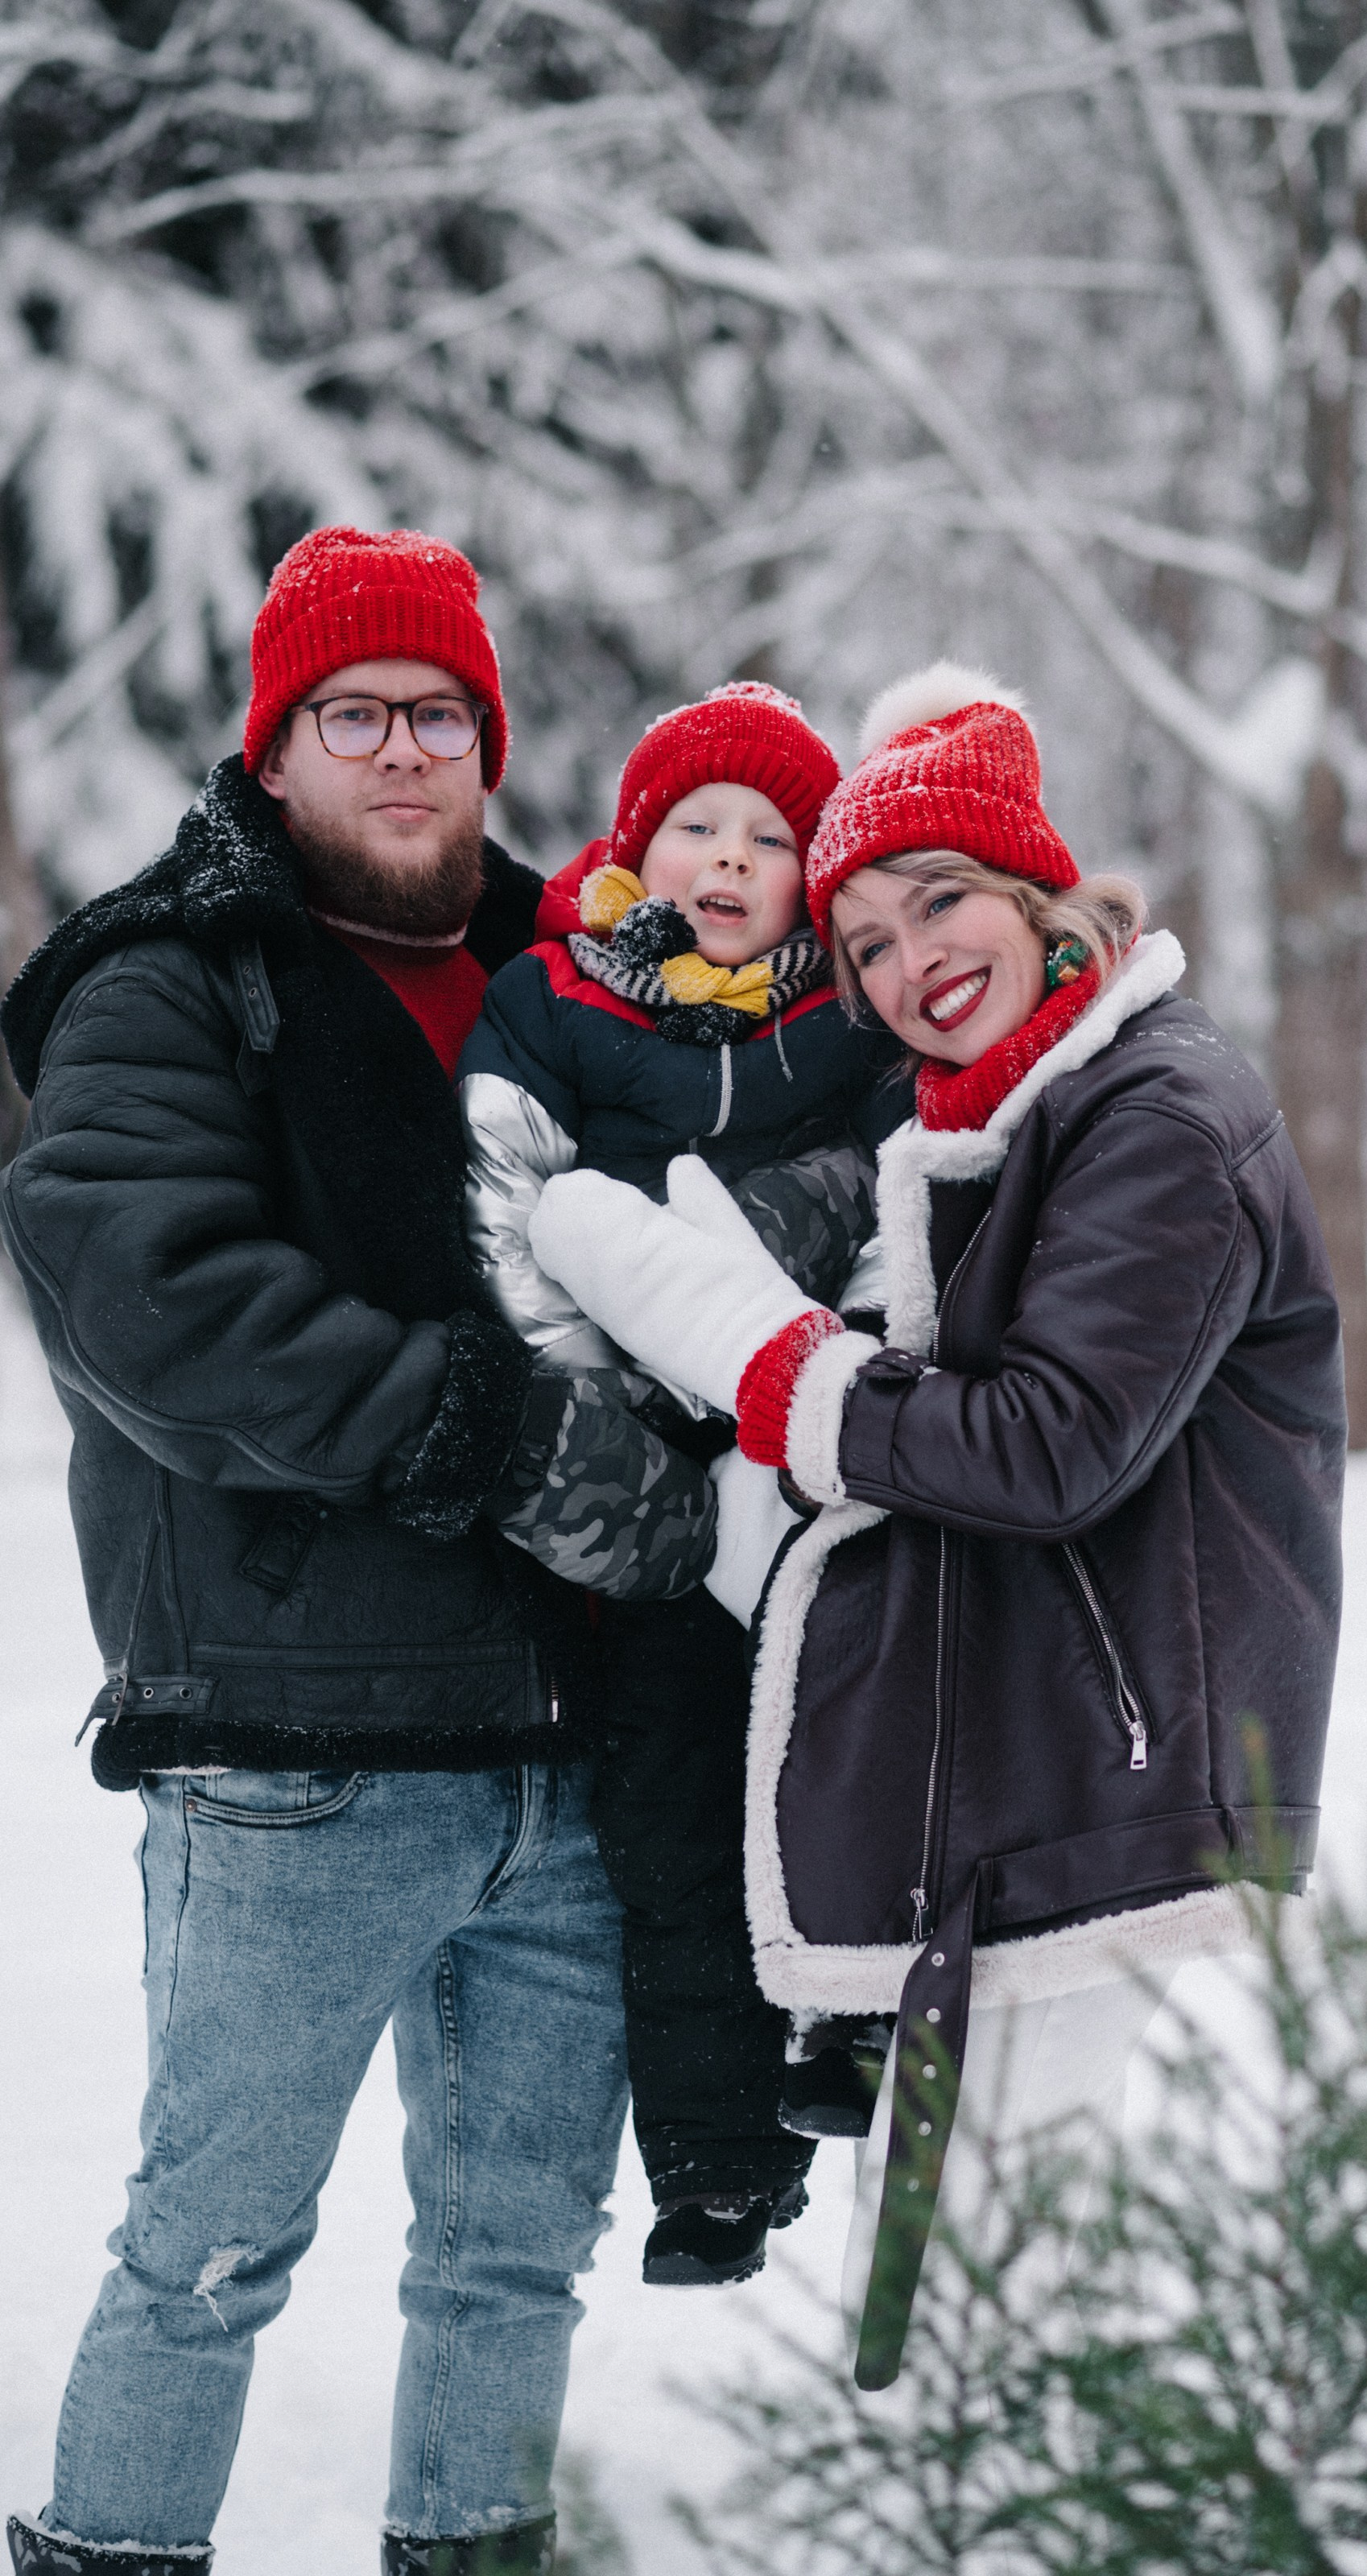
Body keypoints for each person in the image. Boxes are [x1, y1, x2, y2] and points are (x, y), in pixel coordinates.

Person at [1, 526, 791, 2576]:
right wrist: (492, 1433)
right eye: (353, 714)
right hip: (298, 1754)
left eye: (440, 714)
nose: (404, 751)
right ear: (275, 749)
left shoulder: (586, 975)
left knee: (514, 2266)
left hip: (578, 1749)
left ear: (487, 741)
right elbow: (146, 1297)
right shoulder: (176, 981)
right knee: (208, 2251)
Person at [525, 662, 1347, 2390]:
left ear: (1043, 897)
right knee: (956, 2267)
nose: (910, 965)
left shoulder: (1160, 1114)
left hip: (1114, 1766)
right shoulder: (1018, 1109)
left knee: (1007, 2284)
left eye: (940, 902)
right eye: (870, 941)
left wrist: (768, 1362)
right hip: (1037, 1764)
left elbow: (1052, 1447)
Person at [456, 679, 907, 2285]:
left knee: (837, 1757)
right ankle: (712, 2158)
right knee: (667, 1800)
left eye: (769, 835)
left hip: (806, 1454)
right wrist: (611, 1402)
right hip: (645, 1466)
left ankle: (847, 2029)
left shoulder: (849, 1020)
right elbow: (508, 1199)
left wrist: (824, 1344)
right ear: (640, 854)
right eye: (694, 827)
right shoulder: (557, 994)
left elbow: (901, 1200)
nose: (728, 855)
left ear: (814, 875)